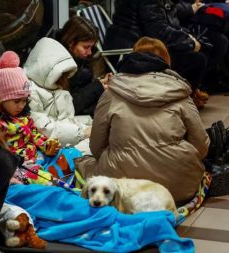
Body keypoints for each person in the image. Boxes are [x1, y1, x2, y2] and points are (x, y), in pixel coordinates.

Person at [83, 37, 209, 203]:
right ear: (166, 60)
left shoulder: (111, 93)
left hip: (122, 187)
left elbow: (96, 146)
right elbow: (201, 145)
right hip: (178, 188)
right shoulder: (179, 91)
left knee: (83, 161)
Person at [102, 0, 211, 108]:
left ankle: (187, 93)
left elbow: (167, 25)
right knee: (196, 59)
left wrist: (189, 39)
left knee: (203, 47)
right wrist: (189, 41)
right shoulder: (149, 2)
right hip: (133, 51)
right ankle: (182, 99)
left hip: (142, 44)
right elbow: (158, 31)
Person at [23, 37, 93, 152]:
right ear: (48, 69)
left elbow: (67, 120)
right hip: (47, 147)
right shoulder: (31, 91)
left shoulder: (56, 87)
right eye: (62, 74)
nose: (64, 79)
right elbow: (43, 128)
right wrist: (82, 132)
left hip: (65, 141)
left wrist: (88, 127)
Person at [0, 51, 62, 165]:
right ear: (2, 99)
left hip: (37, 159)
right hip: (20, 166)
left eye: (25, 100)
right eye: (16, 101)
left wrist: (47, 145)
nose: (21, 106)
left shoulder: (24, 118)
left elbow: (35, 135)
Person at [54, 16, 106, 117]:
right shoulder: (57, 66)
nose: (90, 52)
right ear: (71, 43)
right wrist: (96, 87)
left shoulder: (78, 60)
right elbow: (66, 108)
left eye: (91, 47)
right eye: (86, 47)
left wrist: (100, 85)